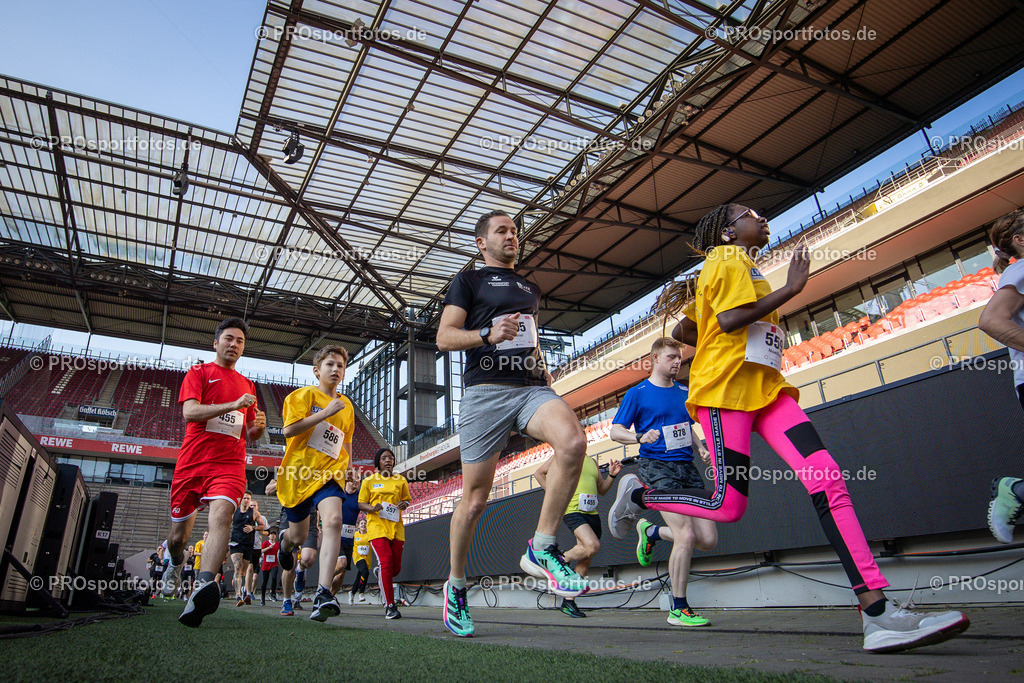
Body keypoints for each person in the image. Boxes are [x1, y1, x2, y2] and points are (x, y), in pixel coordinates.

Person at [608, 204, 969, 653]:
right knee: (727, 507)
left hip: (770, 394)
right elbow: (728, 321)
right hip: (726, 398)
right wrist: (793, 288)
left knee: (828, 477)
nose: (760, 217)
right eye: (749, 213)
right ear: (727, 231)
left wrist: (697, 310)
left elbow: (700, 325)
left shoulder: (743, 267)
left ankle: (877, 613)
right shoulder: (726, 258)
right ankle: (638, 496)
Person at [436, 209, 589, 637]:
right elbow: (445, 337)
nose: (512, 237)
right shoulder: (468, 280)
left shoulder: (529, 287)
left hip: (530, 387)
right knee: (475, 500)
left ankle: (542, 546)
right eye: (502, 230)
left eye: (515, 231)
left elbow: (530, 334)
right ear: (481, 242)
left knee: (574, 443)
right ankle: (457, 584)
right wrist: (486, 335)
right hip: (486, 391)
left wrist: (543, 370)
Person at [607, 337, 718, 627]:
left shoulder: (684, 390)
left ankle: (652, 531)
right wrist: (639, 437)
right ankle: (678, 608)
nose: (676, 362)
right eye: (670, 357)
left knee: (707, 539)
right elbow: (615, 431)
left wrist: (700, 447)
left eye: (678, 357)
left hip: (687, 468)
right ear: (655, 359)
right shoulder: (638, 393)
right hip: (657, 467)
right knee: (686, 537)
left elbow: (686, 426)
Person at [163, 318, 266, 627]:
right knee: (178, 538)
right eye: (229, 339)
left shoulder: (248, 386)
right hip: (192, 464)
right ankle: (176, 563)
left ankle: (204, 586)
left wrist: (258, 428)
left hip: (229, 464)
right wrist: (233, 404)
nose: (234, 344)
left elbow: (250, 431)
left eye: (240, 341)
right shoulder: (198, 373)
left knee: (222, 516)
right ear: (216, 342)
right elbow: (190, 412)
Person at [275, 345, 354, 622]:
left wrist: (350, 468)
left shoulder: (347, 407)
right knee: (297, 538)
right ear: (317, 370)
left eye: (340, 366)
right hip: (299, 475)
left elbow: (346, 442)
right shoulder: (302, 396)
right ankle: (283, 545)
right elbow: (288, 430)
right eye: (330, 364)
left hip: (330, 474)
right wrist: (324, 412)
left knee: (333, 521)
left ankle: (322, 593)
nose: (335, 369)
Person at [976, 209, 1024, 543]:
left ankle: (1017, 491)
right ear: (1019, 241)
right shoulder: (1021, 270)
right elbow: (991, 320)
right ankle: (1014, 490)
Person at [534, 455, 622, 618]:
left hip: (592, 513)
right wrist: (555, 496)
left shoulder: (592, 462)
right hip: (573, 510)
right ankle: (556, 560)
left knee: (586, 558)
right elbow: (539, 473)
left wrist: (612, 475)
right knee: (592, 546)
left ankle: (569, 602)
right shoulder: (562, 456)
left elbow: (601, 489)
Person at [358, 448, 411, 619]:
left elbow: (407, 499)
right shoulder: (369, 481)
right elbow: (361, 503)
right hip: (377, 527)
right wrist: (372, 508)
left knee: (395, 569)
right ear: (378, 462)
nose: (388, 460)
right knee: (386, 563)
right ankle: (390, 606)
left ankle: (380, 572)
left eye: (391, 458)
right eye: (384, 458)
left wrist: (404, 504)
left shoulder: (401, 480)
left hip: (396, 528)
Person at [330, 472, 363, 598]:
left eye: (358, 478)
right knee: (341, 563)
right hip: (335, 536)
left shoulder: (359, 497)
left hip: (349, 539)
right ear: (347, 478)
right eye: (354, 478)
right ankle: (324, 582)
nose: (356, 481)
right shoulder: (339, 493)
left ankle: (330, 596)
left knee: (342, 572)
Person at [228, 491, 262, 606]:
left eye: (248, 498)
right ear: (240, 499)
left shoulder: (254, 513)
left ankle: (240, 587)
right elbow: (226, 523)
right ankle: (238, 596)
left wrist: (253, 528)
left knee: (243, 571)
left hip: (248, 544)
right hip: (235, 543)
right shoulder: (234, 511)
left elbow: (262, 526)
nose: (246, 500)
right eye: (245, 498)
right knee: (237, 566)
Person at [245, 500, 268, 603]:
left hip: (257, 547)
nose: (253, 507)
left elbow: (268, 532)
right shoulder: (245, 517)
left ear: (257, 507)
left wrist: (262, 531)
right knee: (249, 568)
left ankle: (249, 590)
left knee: (254, 571)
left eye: (254, 505)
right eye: (251, 506)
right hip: (247, 546)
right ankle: (248, 593)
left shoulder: (262, 518)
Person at [349, 517, 372, 604]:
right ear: (358, 526)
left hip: (367, 558)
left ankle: (352, 592)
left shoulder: (369, 535)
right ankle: (361, 592)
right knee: (365, 572)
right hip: (357, 557)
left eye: (364, 523)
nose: (363, 525)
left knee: (360, 575)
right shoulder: (355, 535)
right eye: (361, 523)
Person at [260, 531, 280, 606]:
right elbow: (261, 551)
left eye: (274, 535)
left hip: (274, 563)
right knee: (265, 581)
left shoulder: (277, 544)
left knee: (274, 577)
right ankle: (263, 597)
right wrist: (268, 548)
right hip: (266, 564)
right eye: (271, 535)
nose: (272, 536)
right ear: (269, 536)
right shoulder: (265, 543)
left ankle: (273, 593)